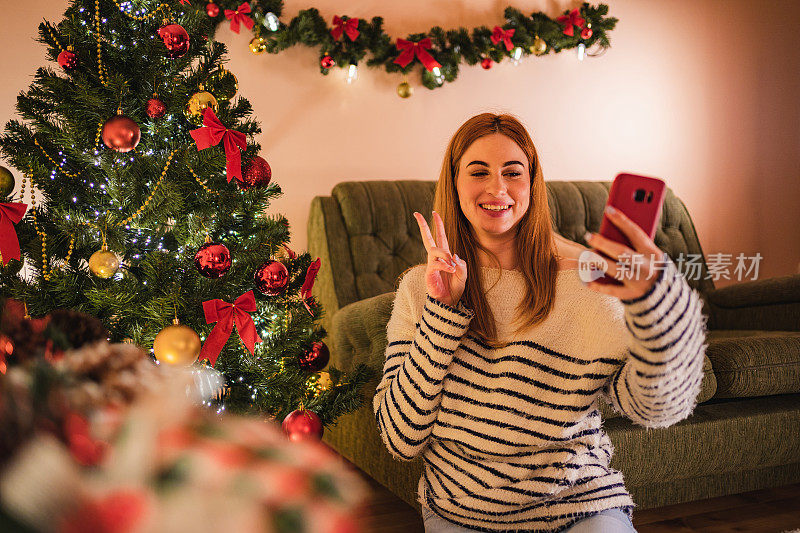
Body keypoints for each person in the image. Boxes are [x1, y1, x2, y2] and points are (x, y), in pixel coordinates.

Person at [372, 113, 707, 532]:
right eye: (479, 172)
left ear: (532, 184)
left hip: (578, 500)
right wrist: (442, 314)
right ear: (454, 183)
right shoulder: (418, 290)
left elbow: (658, 409)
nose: (498, 188)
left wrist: (655, 307)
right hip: (464, 510)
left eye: (513, 173)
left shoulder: (585, 283)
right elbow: (400, 438)